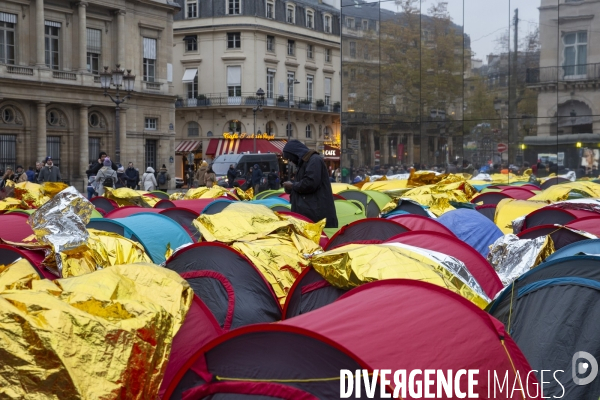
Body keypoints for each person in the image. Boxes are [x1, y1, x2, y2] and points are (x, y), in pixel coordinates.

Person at [282, 140, 338, 228]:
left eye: (290, 158)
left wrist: (292, 186)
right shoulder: (304, 162)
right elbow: (303, 183)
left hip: (314, 214)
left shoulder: (314, 160)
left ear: (295, 153)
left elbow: (310, 183)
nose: (291, 161)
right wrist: (291, 187)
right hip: (308, 212)